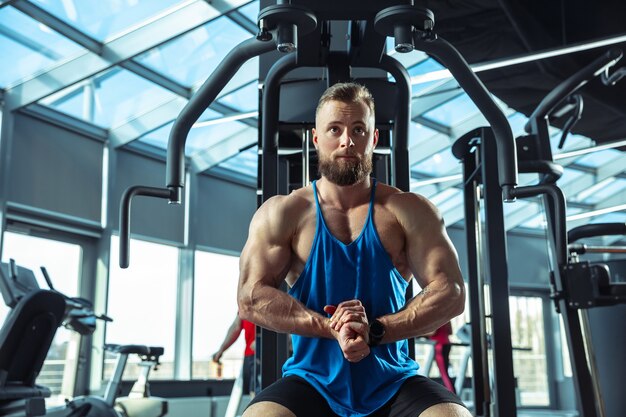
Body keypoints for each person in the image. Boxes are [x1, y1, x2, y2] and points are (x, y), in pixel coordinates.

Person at [237, 82, 470, 417]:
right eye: (335, 129)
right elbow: (250, 297)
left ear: (373, 139)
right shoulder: (283, 212)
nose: (347, 140)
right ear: (317, 139)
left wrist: (376, 331)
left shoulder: (409, 210)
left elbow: (452, 292)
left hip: (393, 381)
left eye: (359, 129)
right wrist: (332, 328)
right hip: (311, 381)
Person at [212, 314, 257, 396]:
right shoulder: (244, 302)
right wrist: (221, 349)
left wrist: (262, 341)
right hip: (249, 356)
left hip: (261, 356)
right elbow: (236, 326)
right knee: (251, 395)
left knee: (255, 394)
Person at [429, 321, 456, 393]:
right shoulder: (446, 316)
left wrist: (419, 334)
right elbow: (450, 332)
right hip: (446, 343)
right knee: (445, 372)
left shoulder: (434, 316)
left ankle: (453, 396)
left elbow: (433, 332)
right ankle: (453, 395)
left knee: (444, 373)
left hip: (440, 345)